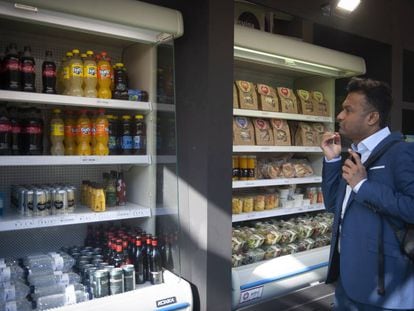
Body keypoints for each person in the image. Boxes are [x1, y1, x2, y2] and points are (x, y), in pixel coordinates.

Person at [320, 77, 414, 310]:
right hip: (347, 286)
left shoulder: (402, 153)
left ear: (372, 118)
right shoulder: (355, 154)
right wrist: (331, 160)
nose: (340, 115)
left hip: (386, 294)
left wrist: (363, 186)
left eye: (347, 110)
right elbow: (333, 205)